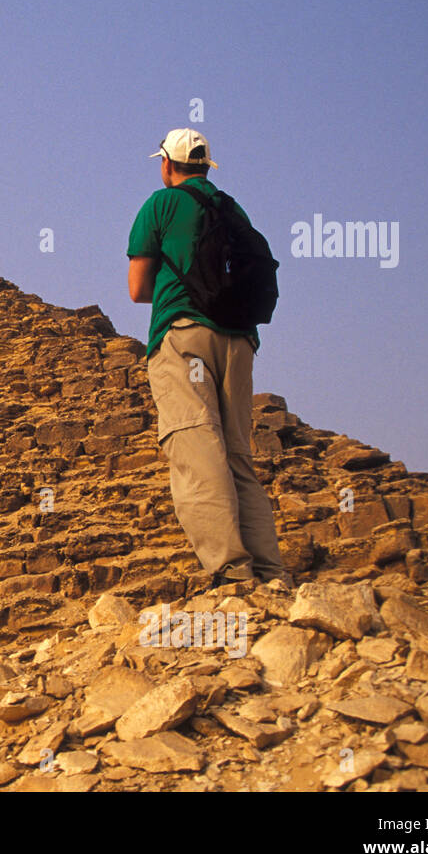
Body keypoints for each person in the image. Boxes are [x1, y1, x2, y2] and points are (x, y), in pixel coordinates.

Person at [125, 128, 291, 590]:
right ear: (205, 166)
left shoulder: (159, 205)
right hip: (239, 342)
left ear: (166, 164)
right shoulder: (231, 208)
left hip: (184, 334)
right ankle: (271, 573)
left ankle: (232, 573)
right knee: (238, 455)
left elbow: (138, 290)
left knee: (197, 446)